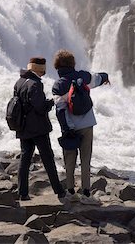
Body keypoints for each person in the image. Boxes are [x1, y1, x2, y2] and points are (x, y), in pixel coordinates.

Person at [52, 50, 109, 201]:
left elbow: (60, 110)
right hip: (87, 124)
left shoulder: (58, 85)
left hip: (71, 127)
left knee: (69, 159)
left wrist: (66, 128)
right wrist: (106, 77)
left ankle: (71, 192)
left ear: (57, 67)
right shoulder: (83, 76)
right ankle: (86, 193)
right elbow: (98, 78)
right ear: (73, 63)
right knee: (86, 159)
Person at [14, 57, 65, 200]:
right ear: (39, 69)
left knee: (25, 159)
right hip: (38, 128)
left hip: (23, 127)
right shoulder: (35, 84)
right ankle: (59, 191)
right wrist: (51, 102)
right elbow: (40, 107)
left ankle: (22, 193)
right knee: (48, 158)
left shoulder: (19, 82)